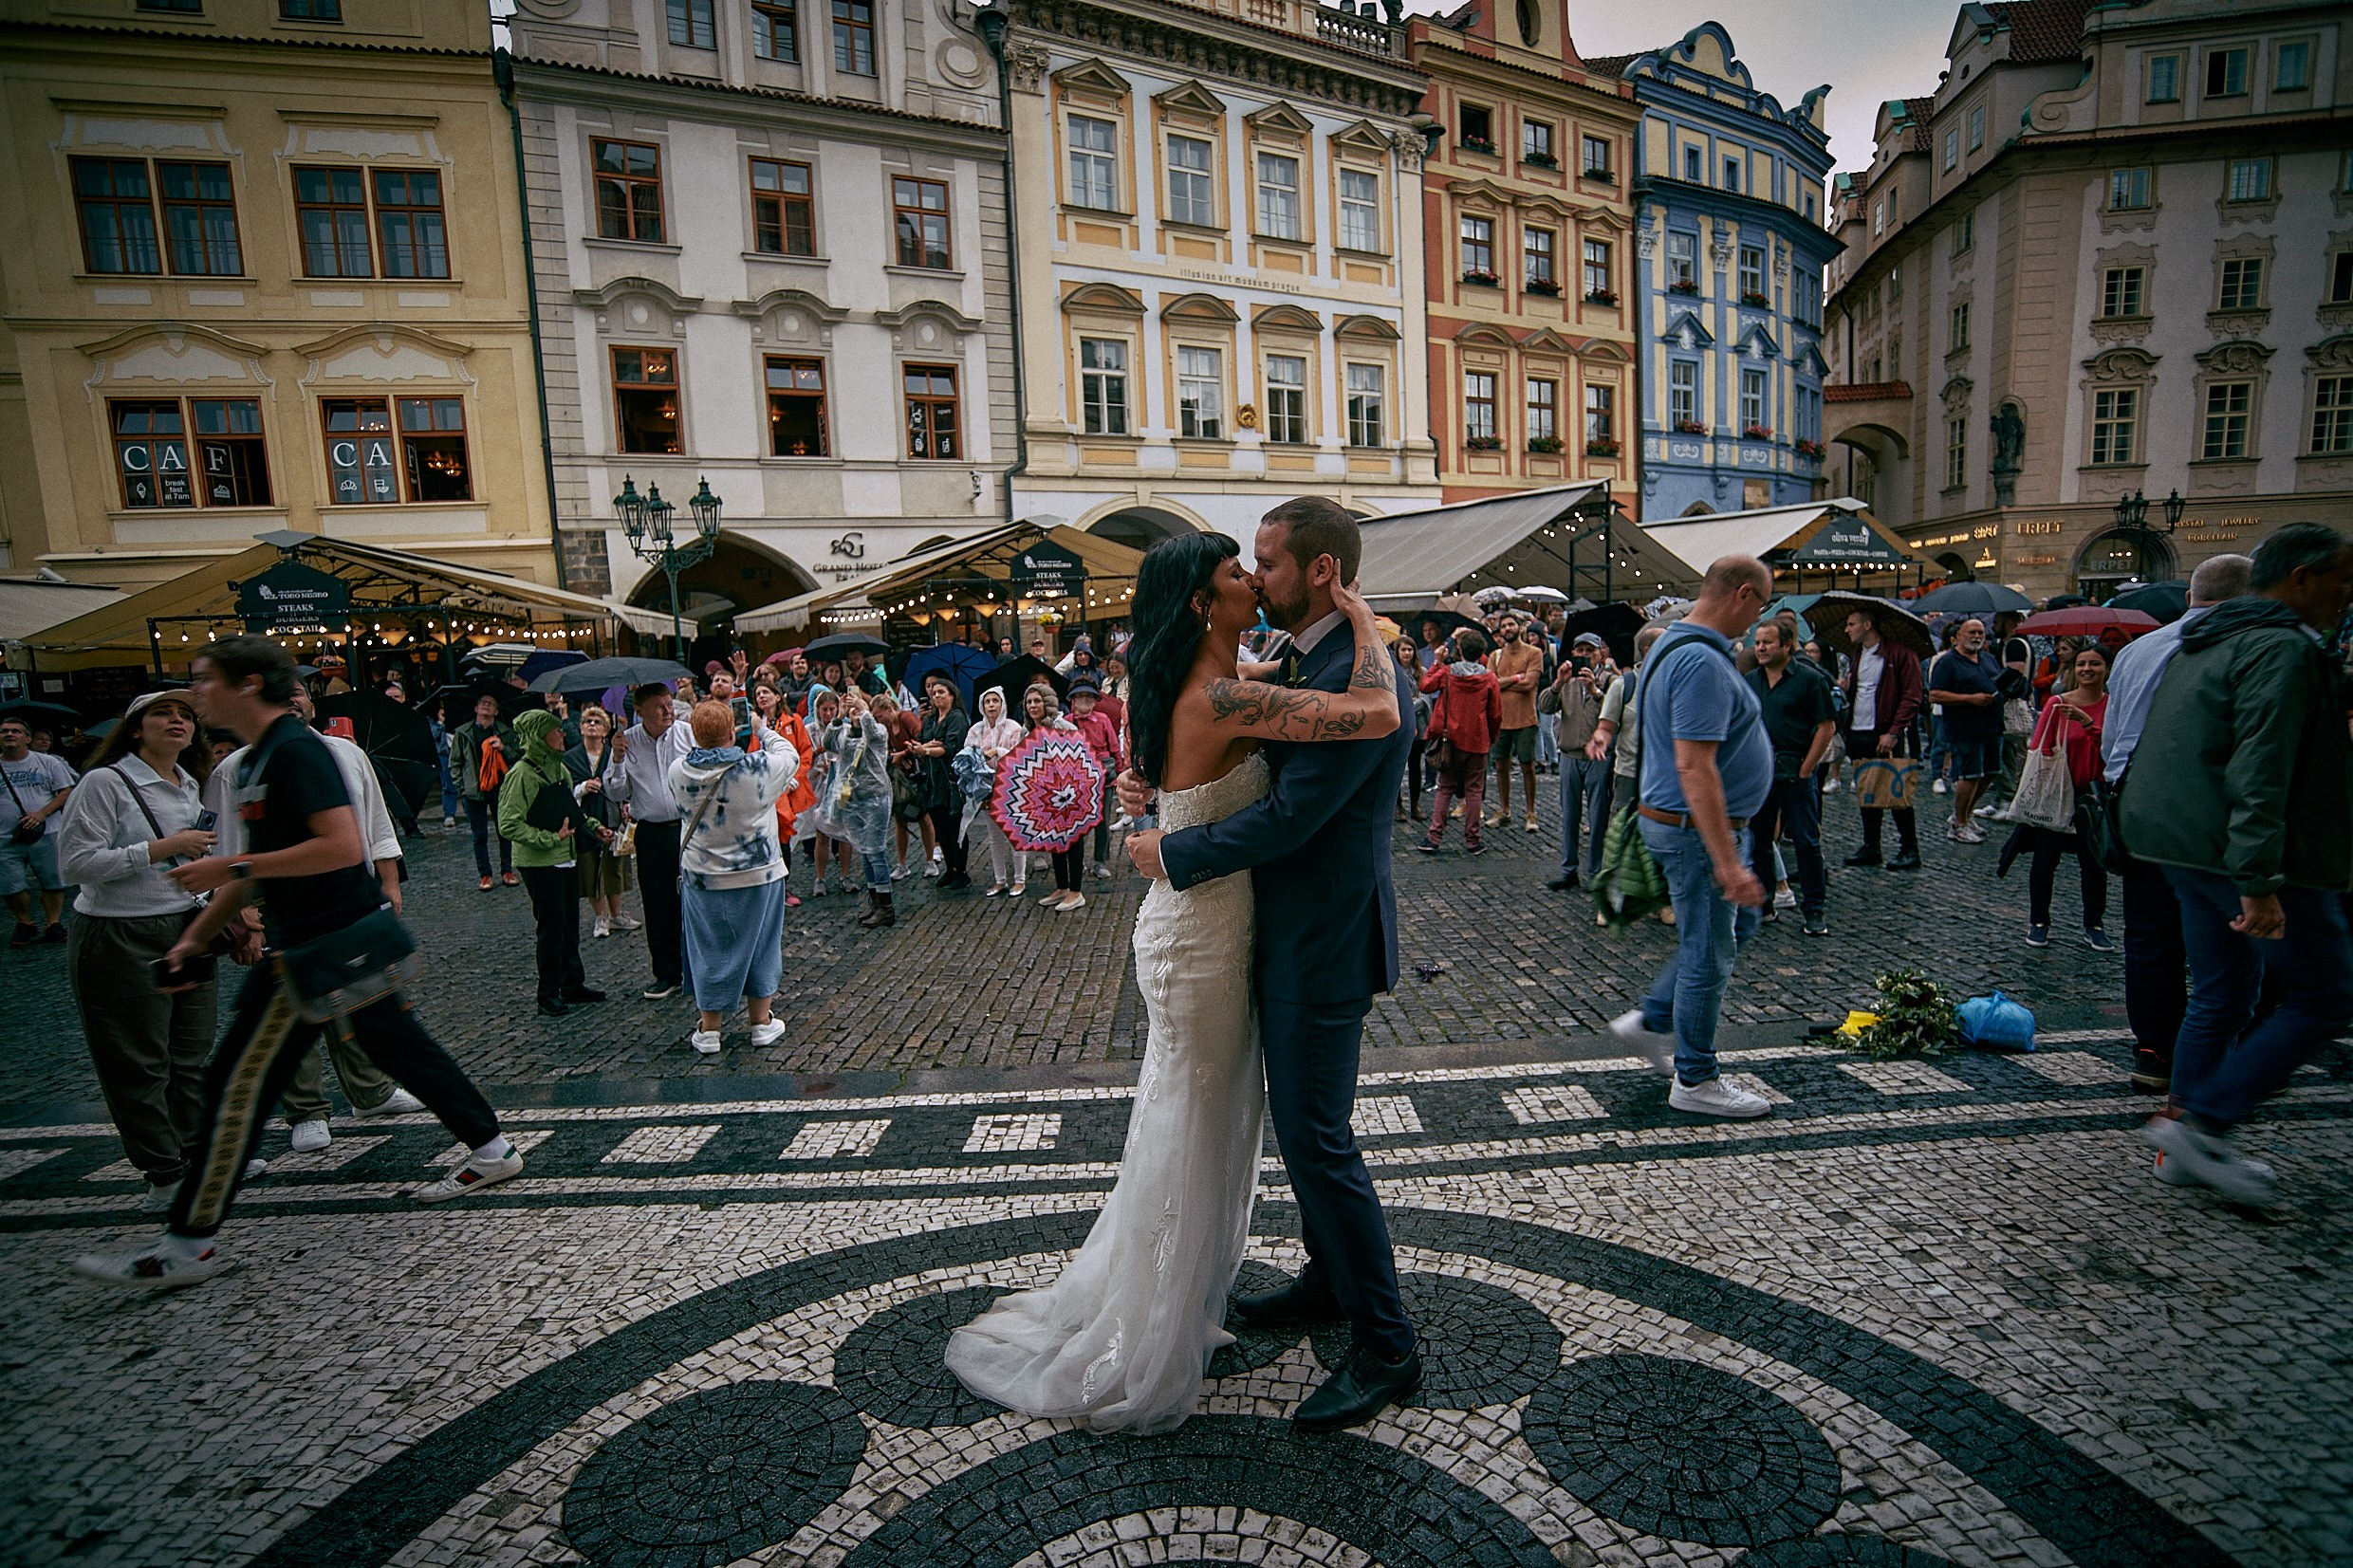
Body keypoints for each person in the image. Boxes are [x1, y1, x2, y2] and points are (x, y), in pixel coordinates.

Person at [953, 501, 1412, 1434]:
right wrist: (1161, 817)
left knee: (1310, 1137)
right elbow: (1252, 779)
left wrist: (1167, 834)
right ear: (1204, 605)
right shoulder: (1264, 675)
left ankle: (1386, 1343)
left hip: (1312, 936)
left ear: (1317, 573)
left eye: (1267, 563)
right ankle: (1327, 1285)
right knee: (1254, 1124)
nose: (1255, 576)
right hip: (1230, 935)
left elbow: (1293, 810)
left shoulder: (1298, 667)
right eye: (1242, 570)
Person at [74, 636, 521, 1289]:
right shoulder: (258, 760)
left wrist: (233, 865)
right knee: (401, 1047)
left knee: (235, 1086)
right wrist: (194, 937)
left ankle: (188, 1243)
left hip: (319, 951)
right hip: (327, 944)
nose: (196, 696)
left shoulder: (295, 752)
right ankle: (493, 1147)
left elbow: (338, 847)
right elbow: (259, 869)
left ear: (248, 683)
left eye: (203, 680)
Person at [2122, 524, 2353, 1207]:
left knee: (2221, 989)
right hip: (2245, 851)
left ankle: (2182, 1136)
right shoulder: (2281, 647)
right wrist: (2259, 880)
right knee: (2327, 992)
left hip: (2182, 842)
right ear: (2302, 578)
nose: (2348, 594)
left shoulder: (2204, 640)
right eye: (2342, 578)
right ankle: (2204, 1120)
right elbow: (2261, 765)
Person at [1607, 556, 1778, 1119]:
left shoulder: (1673, 645)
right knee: (1709, 951)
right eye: (1764, 606)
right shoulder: (1701, 663)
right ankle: (1696, 1077)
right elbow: (1694, 766)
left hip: (1683, 823)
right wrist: (1729, 863)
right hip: (1697, 830)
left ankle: (1654, 1018)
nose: (1759, 622)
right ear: (1744, 595)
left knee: (1739, 923)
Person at [223, 686, 421, 1152]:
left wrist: (389, 882)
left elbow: (376, 821)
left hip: (348, 899)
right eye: (281, 694)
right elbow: (230, 842)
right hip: (283, 906)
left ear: (313, 704)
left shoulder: (345, 753)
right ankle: (306, 1110)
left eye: (298, 694)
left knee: (356, 998)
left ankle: (370, 1092)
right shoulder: (240, 765)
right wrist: (241, 907)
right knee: (294, 1013)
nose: (290, 702)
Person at [55, 691, 220, 1212]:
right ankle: (164, 1172)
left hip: (184, 926)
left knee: (189, 1055)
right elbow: (75, 864)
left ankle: (195, 1154)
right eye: (162, 713)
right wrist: (162, 848)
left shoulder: (190, 784)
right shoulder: (106, 782)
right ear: (133, 729)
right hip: (119, 934)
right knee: (138, 1062)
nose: (177, 720)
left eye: (186, 715)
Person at [2099, 553, 2252, 1092]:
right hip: (2204, 808)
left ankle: (2155, 1048)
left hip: (2133, 801)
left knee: (2148, 934)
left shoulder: (2139, 650)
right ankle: (2217, 1055)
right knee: (2225, 935)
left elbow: (2110, 737)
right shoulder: (2240, 647)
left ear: (2192, 597)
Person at [668, 698, 799, 1055]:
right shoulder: (758, 767)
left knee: (708, 947)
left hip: (704, 876)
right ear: (732, 731)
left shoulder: (679, 770)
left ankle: (710, 1030)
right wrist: (760, 728)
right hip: (758, 872)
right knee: (761, 944)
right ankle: (760, 1022)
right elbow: (791, 755)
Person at [498, 709, 608, 1017]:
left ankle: (572, 983)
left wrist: (592, 827)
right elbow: (508, 824)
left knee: (570, 924)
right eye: (555, 730)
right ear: (539, 736)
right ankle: (547, 992)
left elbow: (570, 811)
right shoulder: (521, 774)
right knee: (551, 927)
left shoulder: (559, 770)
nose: (562, 734)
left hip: (567, 858)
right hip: (538, 863)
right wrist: (550, 838)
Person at [2018, 644, 2112, 951]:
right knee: (2045, 862)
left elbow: (2111, 751)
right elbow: (2039, 747)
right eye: (2082, 663)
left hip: (2093, 795)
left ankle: (2094, 924)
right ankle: (2039, 921)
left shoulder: (2112, 706)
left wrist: (2087, 723)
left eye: (2095, 664)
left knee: (2094, 864)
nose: (2087, 669)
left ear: (2106, 670)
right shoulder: (2057, 704)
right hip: (2056, 792)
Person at [1746, 615, 1835, 937]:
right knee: (1759, 842)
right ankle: (1764, 904)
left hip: (1796, 772)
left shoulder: (1809, 680)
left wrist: (1807, 768)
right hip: (1761, 774)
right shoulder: (1751, 680)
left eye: (1767, 642)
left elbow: (1826, 727)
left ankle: (1814, 909)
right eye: (1757, 643)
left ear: (1787, 645)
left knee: (1806, 843)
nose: (1761, 648)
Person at [609, 682, 691, 1001]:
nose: (668, 711)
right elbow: (616, 793)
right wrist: (616, 760)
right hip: (652, 832)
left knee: (696, 900)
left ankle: (699, 967)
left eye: (670, 704)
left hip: (687, 828)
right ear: (639, 711)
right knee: (658, 904)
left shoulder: (686, 733)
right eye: (660, 706)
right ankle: (667, 973)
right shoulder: (626, 742)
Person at [1839, 608, 1924, 871]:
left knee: (1896, 790)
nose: (1847, 629)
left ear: (1867, 624)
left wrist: (1894, 731)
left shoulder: (1899, 654)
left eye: (1851, 623)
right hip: (1858, 729)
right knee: (1867, 789)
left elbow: (1912, 695)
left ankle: (1909, 848)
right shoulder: (1858, 654)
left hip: (1884, 731)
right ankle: (1871, 846)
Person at [817, 688, 899, 928]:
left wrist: (863, 710)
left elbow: (873, 731)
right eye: (852, 710)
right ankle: (875, 903)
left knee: (876, 851)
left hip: (875, 797)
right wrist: (838, 716)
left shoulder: (877, 731)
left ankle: (887, 908)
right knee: (864, 851)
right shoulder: (843, 732)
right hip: (853, 799)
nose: (854, 713)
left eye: (858, 709)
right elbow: (827, 743)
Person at [1417, 629, 1501, 856]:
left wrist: (1437, 662)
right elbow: (1495, 714)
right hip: (1477, 740)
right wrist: (1492, 737)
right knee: (1474, 790)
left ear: (1460, 650)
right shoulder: (1489, 678)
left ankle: (1434, 837)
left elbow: (1425, 686)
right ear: (1482, 653)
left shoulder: (1447, 673)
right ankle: (1473, 840)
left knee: (1445, 788)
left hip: (1450, 740)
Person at [1538, 634, 1609, 891]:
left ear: (1600, 653)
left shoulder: (1609, 680)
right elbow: (1544, 706)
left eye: (1589, 650)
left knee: (1598, 816)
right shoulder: (1567, 682)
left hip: (1597, 756)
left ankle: (1597, 872)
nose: (1583, 655)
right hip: (1569, 754)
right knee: (1569, 816)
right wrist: (1557, 683)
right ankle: (1569, 870)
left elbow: (1615, 715)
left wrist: (1595, 691)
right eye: (1578, 650)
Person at [1926, 618, 2003, 843]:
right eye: (1971, 632)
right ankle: (1958, 823)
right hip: (1965, 728)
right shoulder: (1948, 662)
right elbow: (1935, 695)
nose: (1977, 636)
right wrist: (1971, 699)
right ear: (1957, 636)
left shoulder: (1987, 657)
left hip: (1992, 725)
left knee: (1991, 771)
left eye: (1980, 632)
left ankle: (1967, 815)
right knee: (1970, 775)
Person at [1, 713, 76, 945]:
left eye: (15, 731)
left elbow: (66, 791)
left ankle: (53, 923)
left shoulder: (48, 762)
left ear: (27, 738)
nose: (9, 734)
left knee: (52, 880)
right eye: (4, 731)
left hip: (47, 831)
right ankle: (25, 923)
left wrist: (41, 814)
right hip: (4, 836)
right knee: (11, 885)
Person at [565, 705, 637, 940]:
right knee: (590, 869)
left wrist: (626, 804)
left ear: (606, 730)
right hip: (585, 819)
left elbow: (624, 781)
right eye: (588, 722)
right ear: (581, 728)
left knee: (613, 868)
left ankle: (616, 914)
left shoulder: (612, 755)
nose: (592, 725)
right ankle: (601, 916)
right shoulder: (571, 758)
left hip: (611, 815)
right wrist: (583, 788)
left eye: (598, 722)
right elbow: (567, 790)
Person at [449, 693, 517, 891]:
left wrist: (503, 748)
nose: (486, 706)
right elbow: (455, 763)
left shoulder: (505, 732)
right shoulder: (463, 733)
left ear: (496, 711)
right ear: (476, 709)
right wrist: (461, 787)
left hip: (500, 788)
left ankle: (507, 870)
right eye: (482, 703)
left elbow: (517, 756)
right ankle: (485, 875)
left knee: (505, 831)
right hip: (473, 790)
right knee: (479, 835)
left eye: (491, 704)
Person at [963, 686, 1026, 895]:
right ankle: (1000, 880)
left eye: (995, 701)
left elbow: (1021, 756)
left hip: (1010, 787)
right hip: (986, 787)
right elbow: (967, 755)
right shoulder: (976, 730)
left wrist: (998, 751)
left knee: (1015, 834)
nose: (991, 705)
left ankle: (1019, 879)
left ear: (1002, 704)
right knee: (994, 836)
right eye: (987, 702)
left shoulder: (1013, 728)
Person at [913, 675, 972, 891]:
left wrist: (927, 749)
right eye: (934, 692)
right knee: (941, 828)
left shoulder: (956, 718)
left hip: (951, 780)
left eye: (941, 692)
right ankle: (950, 868)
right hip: (932, 780)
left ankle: (962, 870)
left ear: (951, 695)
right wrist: (926, 747)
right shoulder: (929, 719)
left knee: (955, 827)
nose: (936, 696)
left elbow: (949, 747)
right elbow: (920, 742)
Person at [1486, 614, 1543, 834]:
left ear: (1520, 627)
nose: (1507, 629)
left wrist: (1507, 683)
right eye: (1503, 626)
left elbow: (1530, 684)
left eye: (1511, 624)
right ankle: (1505, 810)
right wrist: (1516, 678)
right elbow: (1490, 685)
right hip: (1500, 720)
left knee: (1528, 765)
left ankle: (1531, 812)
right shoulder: (1496, 655)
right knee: (1501, 766)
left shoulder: (1534, 653)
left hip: (1525, 718)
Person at [1068, 676, 1122, 883]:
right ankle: (1078, 859)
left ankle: (1100, 861)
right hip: (1076, 781)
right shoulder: (1067, 721)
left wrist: (1118, 773)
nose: (1084, 700)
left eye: (1088, 695)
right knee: (1077, 823)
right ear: (1073, 699)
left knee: (1102, 821)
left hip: (1103, 777)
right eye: (1080, 695)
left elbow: (1114, 748)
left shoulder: (1102, 719)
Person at [1391, 635, 1430, 821]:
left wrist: (1412, 703)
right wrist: (1409, 703)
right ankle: (1397, 805)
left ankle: (1415, 804)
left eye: (1410, 649)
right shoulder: (1392, 671)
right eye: (1403, 649)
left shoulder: (1421, 671)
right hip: (1399, 723)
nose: (1407, 653)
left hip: (1419, 724)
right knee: (1398, 766)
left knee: (1416, 766)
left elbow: (1425, 697)